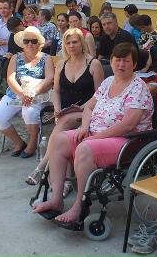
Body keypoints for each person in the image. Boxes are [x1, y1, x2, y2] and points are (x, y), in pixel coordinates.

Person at [31, 43, 154, 223]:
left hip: (126, 140)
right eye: (117, 60)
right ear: (111, 61)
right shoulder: (108, 82)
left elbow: (127, 125)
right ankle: (56, 199)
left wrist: (95, 138)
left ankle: (79, 206)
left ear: (134, 64)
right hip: (96, 134)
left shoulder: (138, 88)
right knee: (58, 140)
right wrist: (84, 128)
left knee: (85, 148)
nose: (121, 64)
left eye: (126, 61)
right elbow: (88, 107)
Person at [25, 27, 104, 194]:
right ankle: (66, 180)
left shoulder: (94, 64)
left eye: (75, 42)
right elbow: (56, 92)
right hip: (64, 111)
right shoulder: (61, 64)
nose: (71, 45)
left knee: (66, 122)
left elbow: (100, 95)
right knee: (64, 124)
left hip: (87, 110)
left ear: (82, 44)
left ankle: (42, 167)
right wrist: (57, 109)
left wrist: (82, 107)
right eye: (68, 43)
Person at [0, 26, 54, 158]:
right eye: (26, 41)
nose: (30, 44)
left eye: (33, 41)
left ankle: (33, 142)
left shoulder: (46, 58)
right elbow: (10, 78)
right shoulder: (16, 57)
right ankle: (19, 142)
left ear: (39, 43)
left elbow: (50, 78)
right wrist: (22, 94)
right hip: (16, 93)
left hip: (39, 94)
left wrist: (32, 93)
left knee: (29, 111)